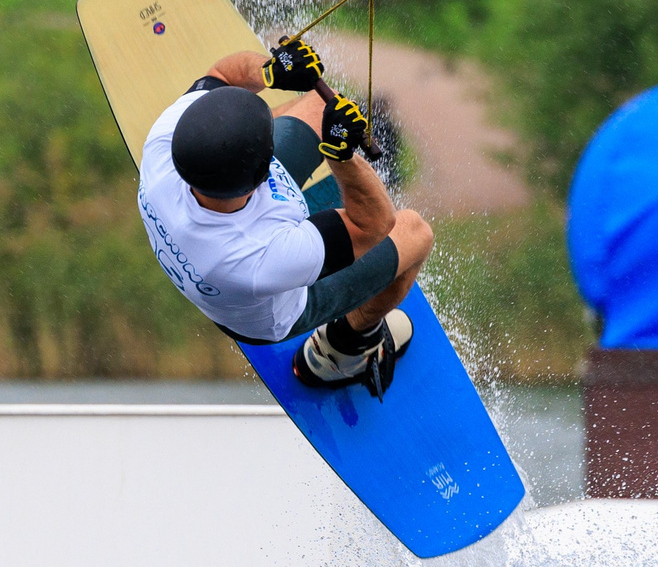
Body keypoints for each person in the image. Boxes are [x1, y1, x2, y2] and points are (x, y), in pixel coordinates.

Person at [136, 34, 435, 396]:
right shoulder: (259, 259)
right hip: (280, 310)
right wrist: (341, 158)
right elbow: (374, 226)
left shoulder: (163, 143)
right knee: (415, 232)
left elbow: (222, 74)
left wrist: (270, 72)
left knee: (319, 105)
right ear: (263, 175)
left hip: (229, 228)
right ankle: (345, 349)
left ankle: (317, 171)